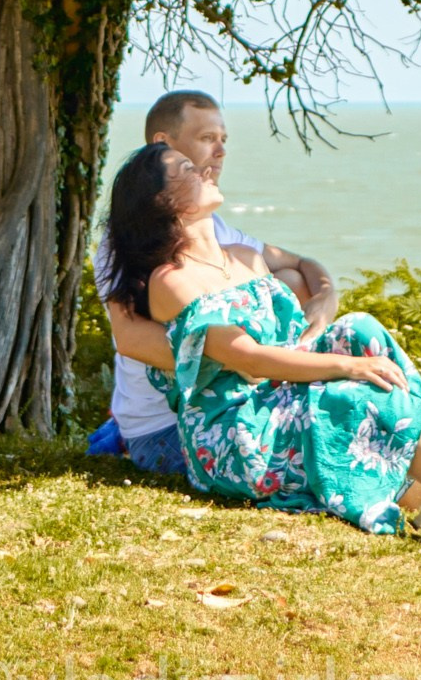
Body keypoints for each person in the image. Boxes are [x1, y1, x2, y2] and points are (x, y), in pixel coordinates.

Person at [100, 136, 421, 577]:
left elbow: (299, 319)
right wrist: (347, 366)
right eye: (186, 168)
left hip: (278, 398)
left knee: (362, 329)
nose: (205, 165)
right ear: (163, 202)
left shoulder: (245, 258)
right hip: (238, 430)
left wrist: (335, 325)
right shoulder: (173, 280)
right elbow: (248, 359)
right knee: (351, 389)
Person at [90, 91, 338, 480]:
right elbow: (131, 339)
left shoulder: (216, 231)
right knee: (340, 416)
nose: (220, 151)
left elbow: (301, 264)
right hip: (171, 421)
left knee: (288, 283)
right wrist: (254, 361)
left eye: (224, 139)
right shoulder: (128, 239)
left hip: (240, 394)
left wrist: (324, 299)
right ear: (162, 145)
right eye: (207, 139)